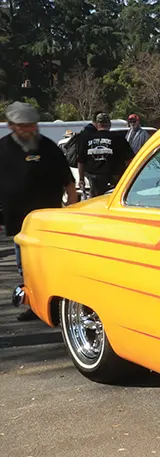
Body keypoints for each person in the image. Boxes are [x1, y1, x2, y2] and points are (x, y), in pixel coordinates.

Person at [0, 101, 78, 320]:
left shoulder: (48, 147)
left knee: (50, 262)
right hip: (19, 221)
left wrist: (71, 208)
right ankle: (34, 304)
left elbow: (68, 181)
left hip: (49, 219)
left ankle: (56, 302)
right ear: (12, 125)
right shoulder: (3, 149)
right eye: (24, 126)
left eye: (33, 125)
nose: (30, 130)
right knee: (25, 265)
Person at [77, 112, 134, 198]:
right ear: (109, 124)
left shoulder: (87, 140)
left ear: (97, 124)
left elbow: (81, 162)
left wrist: (81, 179)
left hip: (94, 181)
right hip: (115, 179)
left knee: (95, 205)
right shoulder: (118, 139)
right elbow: (130, 160)